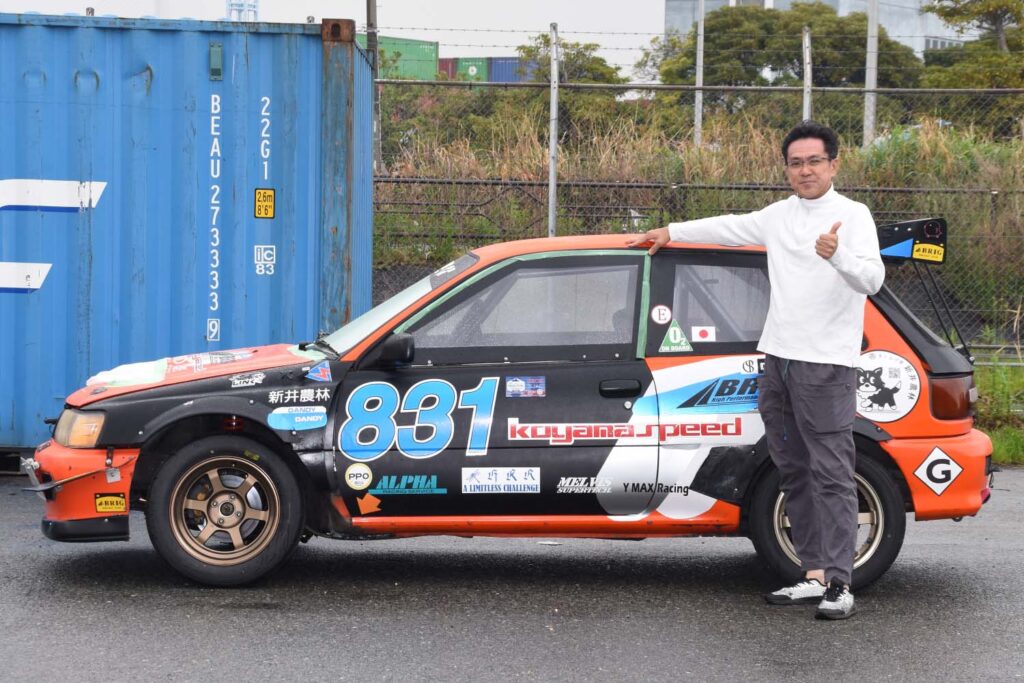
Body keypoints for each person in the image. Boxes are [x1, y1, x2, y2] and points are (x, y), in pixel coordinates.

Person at [626, 121, 884, 620]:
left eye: (814, 161)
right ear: (786, 168)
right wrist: (671, 232)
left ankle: (840, 583)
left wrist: (839, 257)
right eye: (795, 162)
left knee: (831, 471)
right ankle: (812, 575)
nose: (804, 170)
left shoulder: (853, 216)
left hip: (827, 363)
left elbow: (872, 279)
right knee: (793, 468)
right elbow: (728, 225)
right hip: (779, 360)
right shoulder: (779, 215)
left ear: (834, 163)